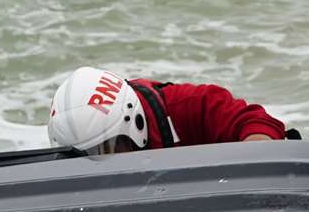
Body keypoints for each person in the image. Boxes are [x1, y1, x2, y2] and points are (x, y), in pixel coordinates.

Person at [46, 66, 288, 154]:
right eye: (84, 155)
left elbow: (256, 122)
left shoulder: (189, 105)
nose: (97, 162)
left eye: (106, 150)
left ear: (135, 125)